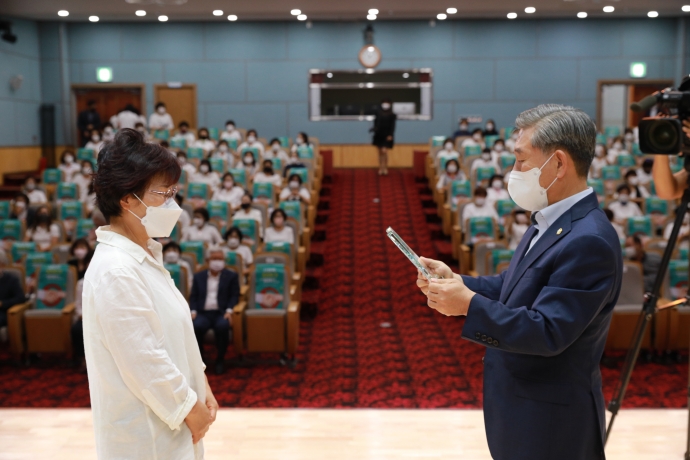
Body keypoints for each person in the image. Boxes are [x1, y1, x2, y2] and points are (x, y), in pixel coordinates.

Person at [416, 104, 622, 460]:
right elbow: (515, 287)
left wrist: (467, 304)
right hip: (522, 408)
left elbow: (548, 331)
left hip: (551, 422)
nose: (515, 170)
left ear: (558, 164)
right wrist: (460, 282)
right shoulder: (548, 220)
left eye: (522, 160)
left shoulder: (590, 240)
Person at [84, 128, 217, 458]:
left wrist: (202, 384)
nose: (172, 203)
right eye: (163, 193)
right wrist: (191, 409)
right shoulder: (116, 269)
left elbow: (174, 336)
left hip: (175, 421)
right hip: (148, 438)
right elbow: (143, 358)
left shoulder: (143, 256)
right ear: (128, 200)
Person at [189, 247, 239, 375]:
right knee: (195, 327)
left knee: (222, 327)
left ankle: (220, 360)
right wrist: (193, 311)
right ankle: (201, 360)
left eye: (220, 259)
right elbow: (193, 296)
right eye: (214, 259)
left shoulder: (231, 276)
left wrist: (229, 310)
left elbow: (234, 295)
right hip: (203, 313)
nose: (217, 262)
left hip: (221, 312)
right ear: (207, 260)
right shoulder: (198, 276)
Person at [68, 238, 93, 372]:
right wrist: (81, 314)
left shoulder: (109, 281)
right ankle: (82, 358)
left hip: (103, 317)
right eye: (89, 262)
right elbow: (78, 303)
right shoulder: (81, 283)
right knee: (76, 330)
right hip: (85, 317)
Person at [0, 249, 25, 329]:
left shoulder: (11, 279)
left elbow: (20, 298)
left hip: (3, 312)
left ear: (2, 264)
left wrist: (2, 303)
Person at [371, 98, 396, 175]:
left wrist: (390, 135)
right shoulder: (378, 113)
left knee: (384, 151)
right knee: (379, 152)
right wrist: (374, 129)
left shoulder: (392, 114)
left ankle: (385, 167)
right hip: (378, 134)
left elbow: (392, 126)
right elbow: (375, 123)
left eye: (387, 103)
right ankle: (380, 168)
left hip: (387, 135)